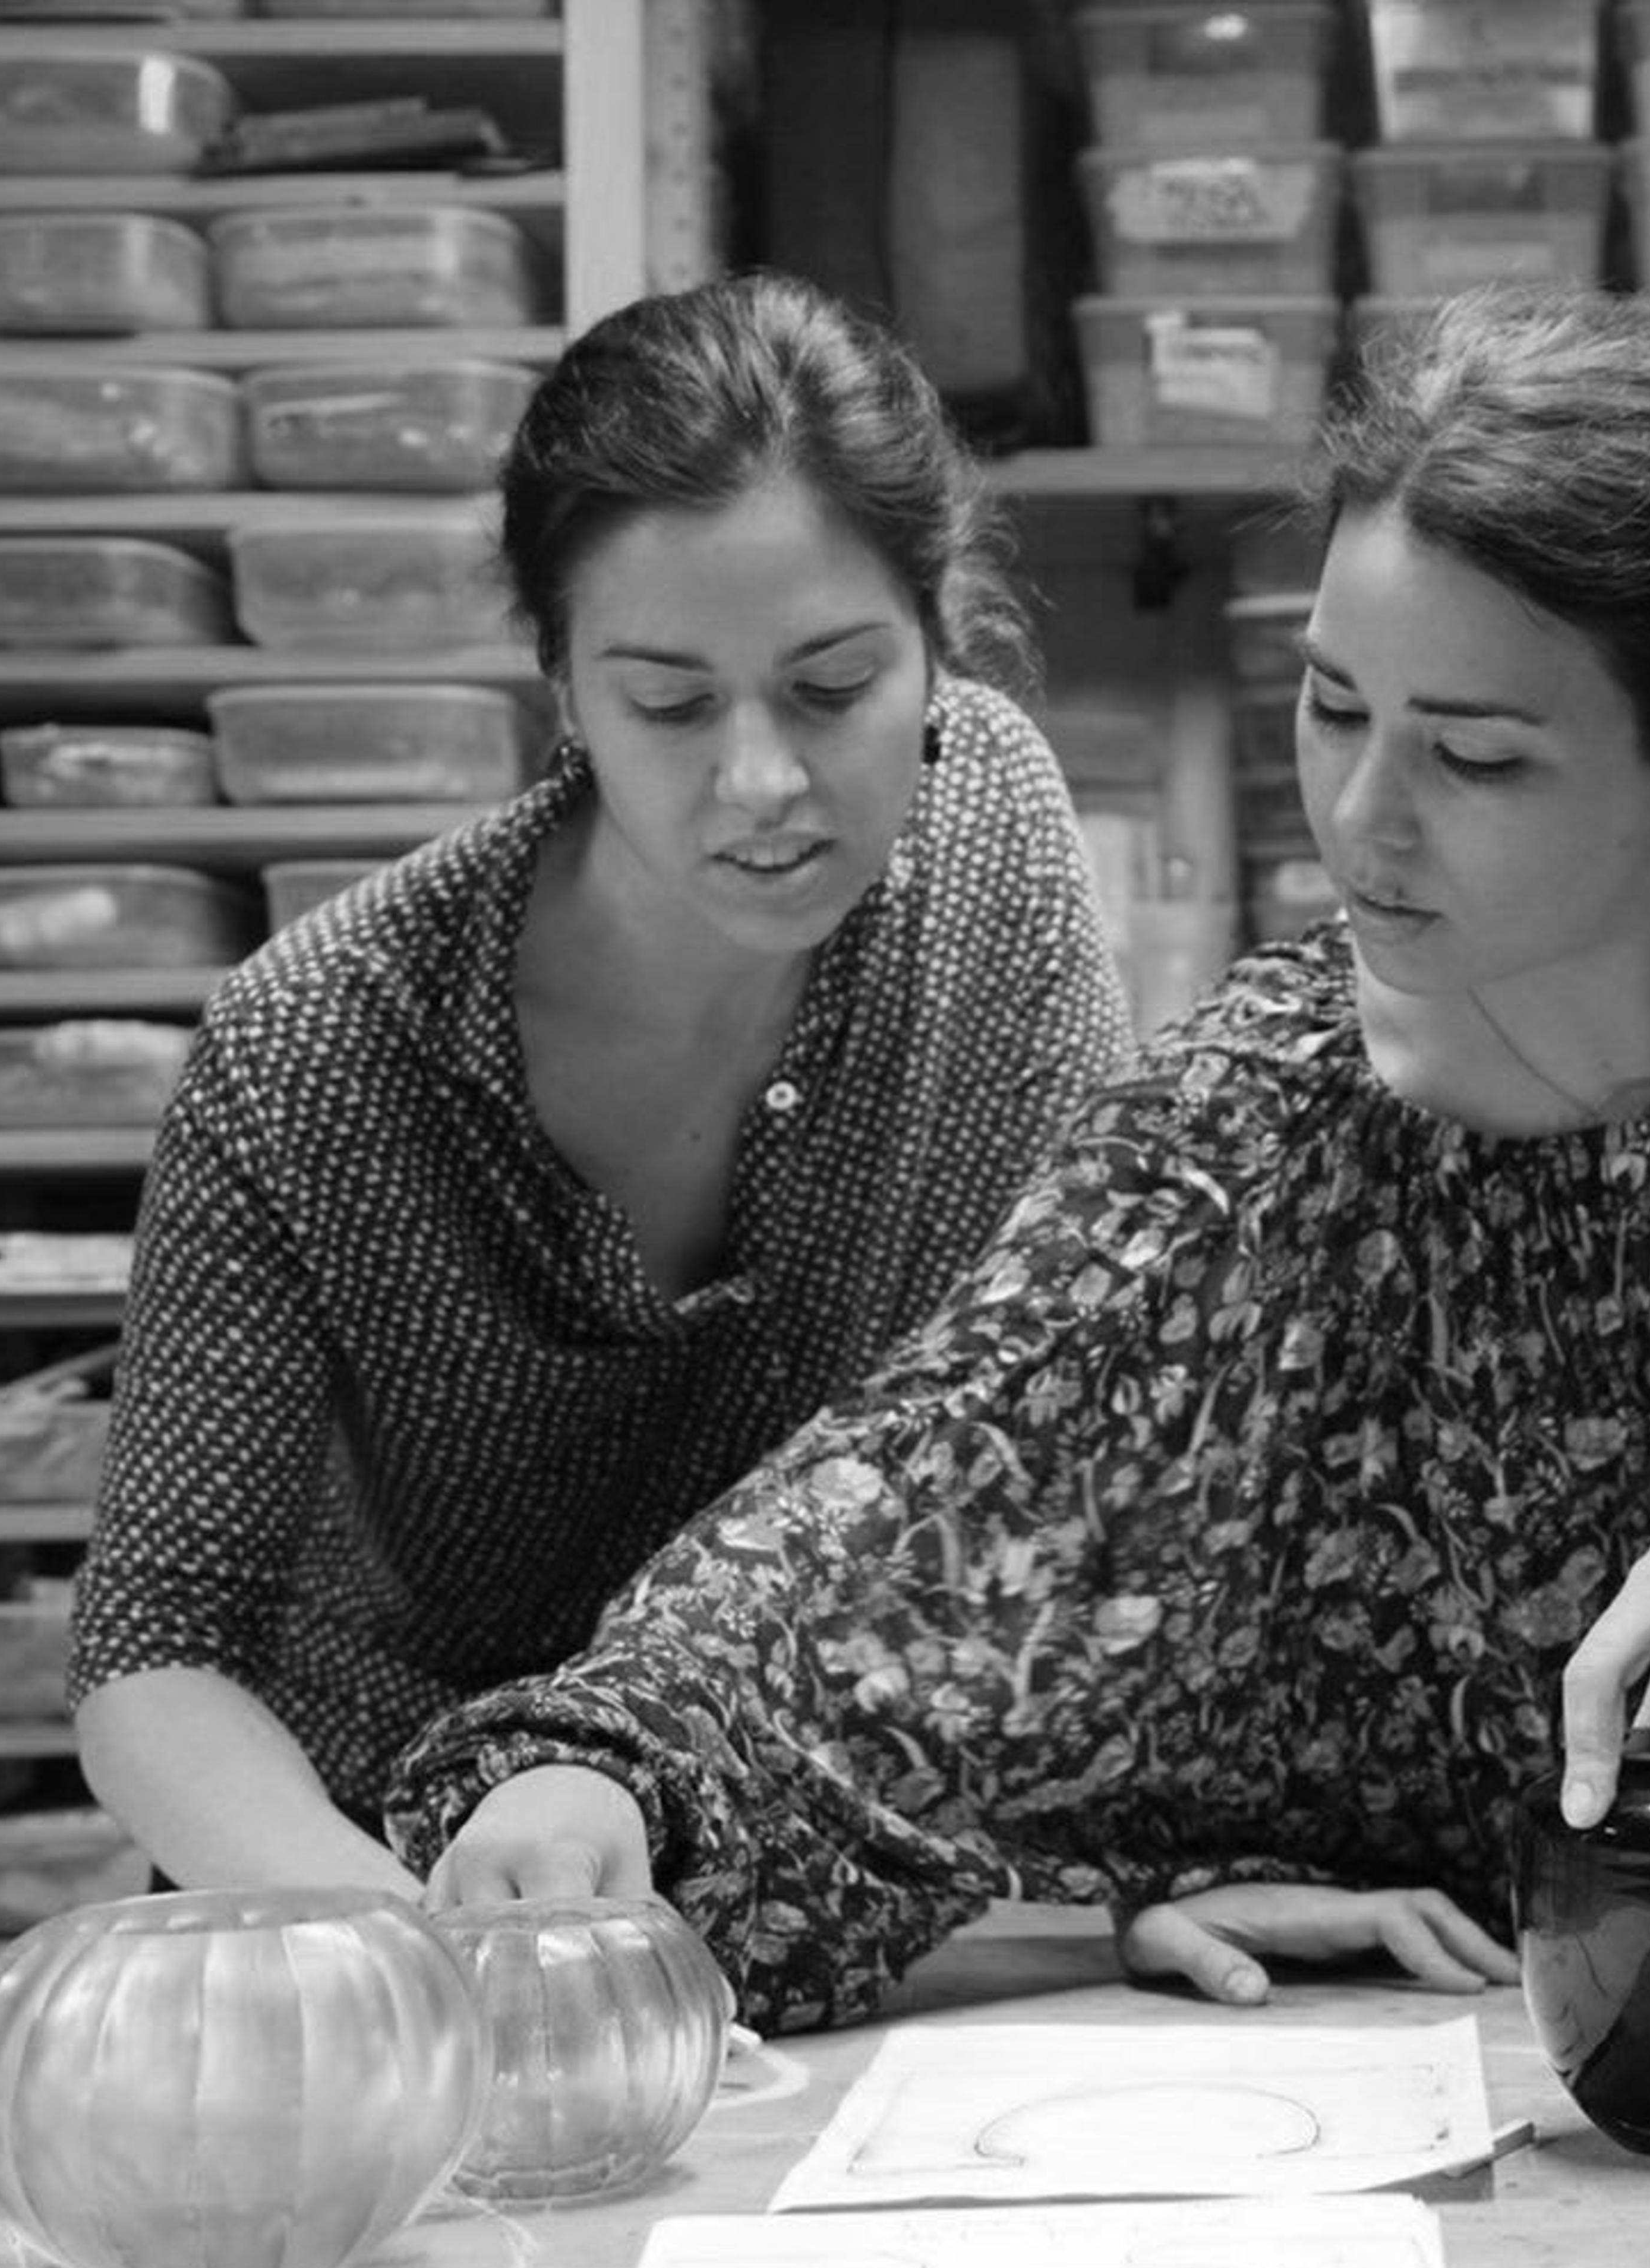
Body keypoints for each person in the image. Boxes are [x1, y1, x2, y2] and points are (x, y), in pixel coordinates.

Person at [386, 284, 1650, 2027]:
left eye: (1477, 757)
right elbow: (909, 1498)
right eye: (1334, 707)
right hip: (1553, 2080)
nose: (1363, 823)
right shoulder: (1257, 1121)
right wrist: (603, 1768)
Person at [67, 270, 1134, 1893]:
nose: (762, 779)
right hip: (362, 1869)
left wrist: (1163, 1852)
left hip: (788, 1870)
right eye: (671, 703)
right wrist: (420, 1959)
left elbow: (1071, 1412)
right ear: (562, 688)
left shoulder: (991, 839)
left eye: (833, 687)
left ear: (938, 641)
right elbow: (156, 1649)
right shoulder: (318, 1047)